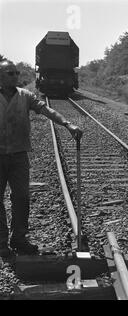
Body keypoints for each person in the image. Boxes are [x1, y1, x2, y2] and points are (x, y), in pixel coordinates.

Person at [0, 60, 83, 258]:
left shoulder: (25, 96)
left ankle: (19, 238)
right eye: (10, 73)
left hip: (19, 154)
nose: (15, 76)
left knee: (22, 197)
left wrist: (68, 124)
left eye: (16, 72)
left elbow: (47, 110)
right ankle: (1, 242)